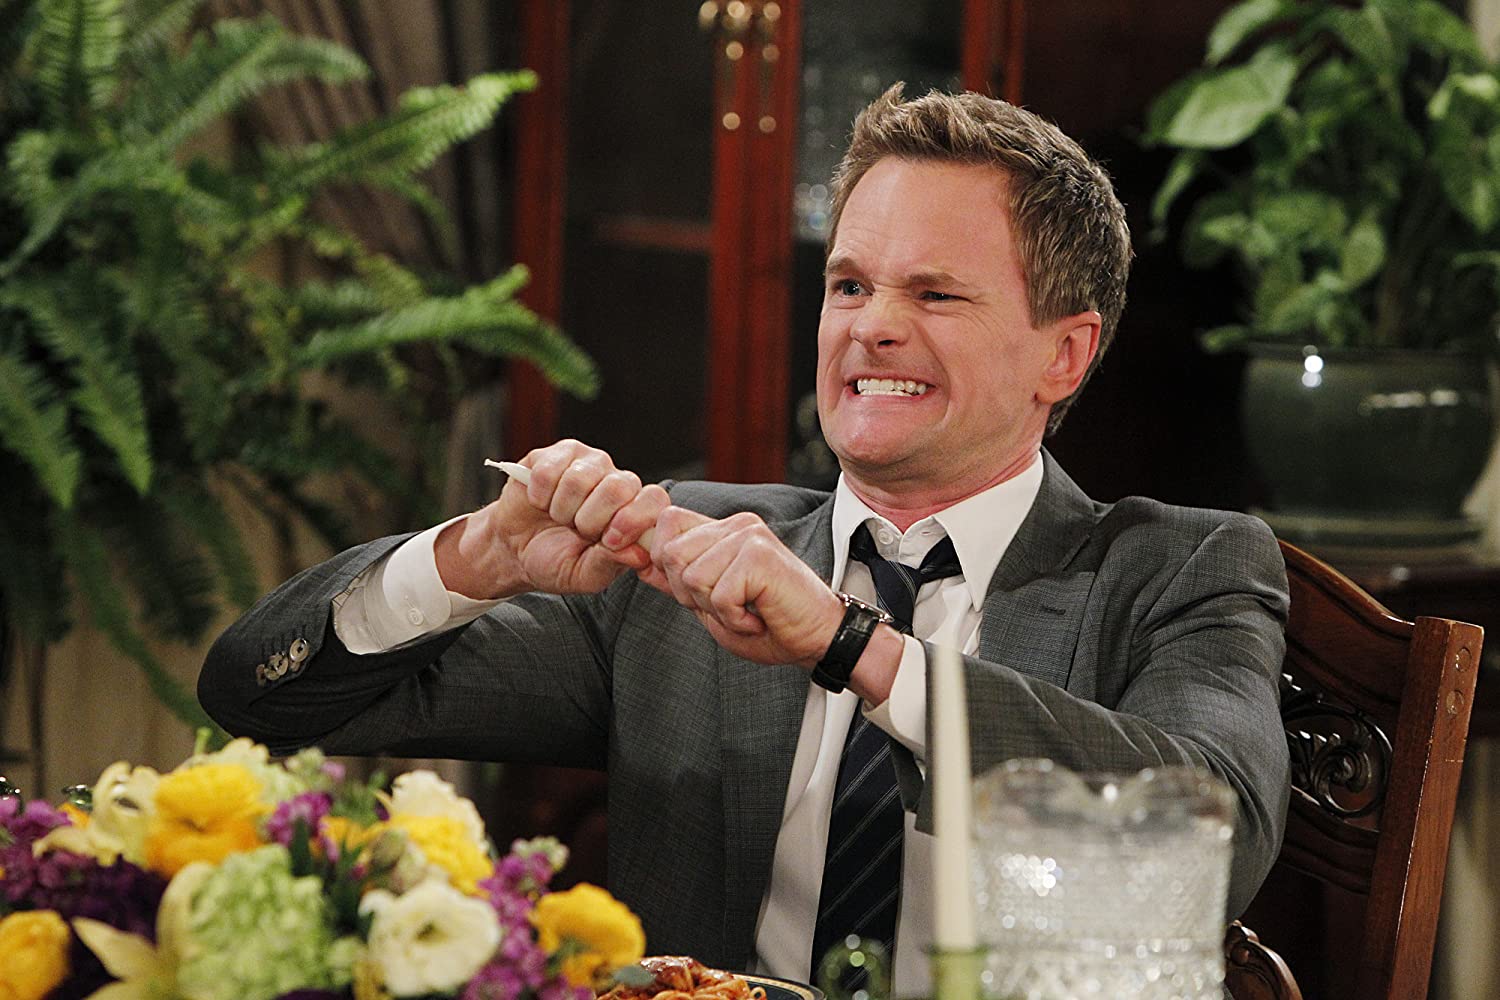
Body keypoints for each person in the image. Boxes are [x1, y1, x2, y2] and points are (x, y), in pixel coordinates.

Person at [199, 84, 1289, 994]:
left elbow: (1211, 837)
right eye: (849, 285)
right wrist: (472, 561)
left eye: (935, 294)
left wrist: (853, 643)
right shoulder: (683, 558)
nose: (871, 326)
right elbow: (260, 695)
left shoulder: (1174, 570)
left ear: (1065, 354)